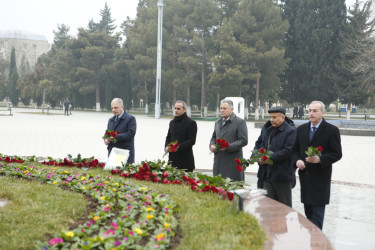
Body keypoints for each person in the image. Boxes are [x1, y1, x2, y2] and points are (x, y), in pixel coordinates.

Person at [293, 101, 342, 230]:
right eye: (310, 110)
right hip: (305, 178)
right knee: (308, 215)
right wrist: (297, 161)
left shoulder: (331, 130)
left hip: (321, 180)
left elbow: (337, 154)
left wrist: (319, 159)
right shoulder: (301, 129)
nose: (311, 113)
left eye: (315, 111)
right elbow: (295, 151)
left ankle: (317, 244)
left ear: (323, 113)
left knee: (317, 217)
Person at [253, 106, 296, 207]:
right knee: (265, 207)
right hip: (265, 175)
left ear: (283, 117)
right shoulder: (267, 129)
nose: (271, 120)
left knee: (283, 207)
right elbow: (259, 143)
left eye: (274, 117)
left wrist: (270, 158)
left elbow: (288, 150)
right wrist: (256, 156)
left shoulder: (291, 131)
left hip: (282, 176)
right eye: (270, 117)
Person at [209, 99, 248, 181]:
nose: (222, 110)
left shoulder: (240, 122)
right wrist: (211, 145)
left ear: (232, 109)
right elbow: (214, 137)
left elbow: (243, 140)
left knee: (232, 188)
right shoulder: (217, 122)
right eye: (221, 108)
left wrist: (228, 147)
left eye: (225, 108)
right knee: (218, 187)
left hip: (232, 161)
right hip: (218, 160)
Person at [165, 100, 197, 172]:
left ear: (184, 109)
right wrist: (166, 146)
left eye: (178, 109)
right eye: (175, 108)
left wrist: (178, 147)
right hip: (172, 159)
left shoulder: (191, 123)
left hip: (185, 160)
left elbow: (192, 140)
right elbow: (168, 136)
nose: (176, 110)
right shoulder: (172, 122)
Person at [104, 98, 137, 164]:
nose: (113, 110)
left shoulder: (130, 119)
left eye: (115, 108)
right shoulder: (111, 120)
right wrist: (106, 140)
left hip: (125, 154)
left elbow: (130, 134)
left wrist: (115, 137)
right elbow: (107, 133)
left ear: (122, 107)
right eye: (112, 108)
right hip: (112, 154)